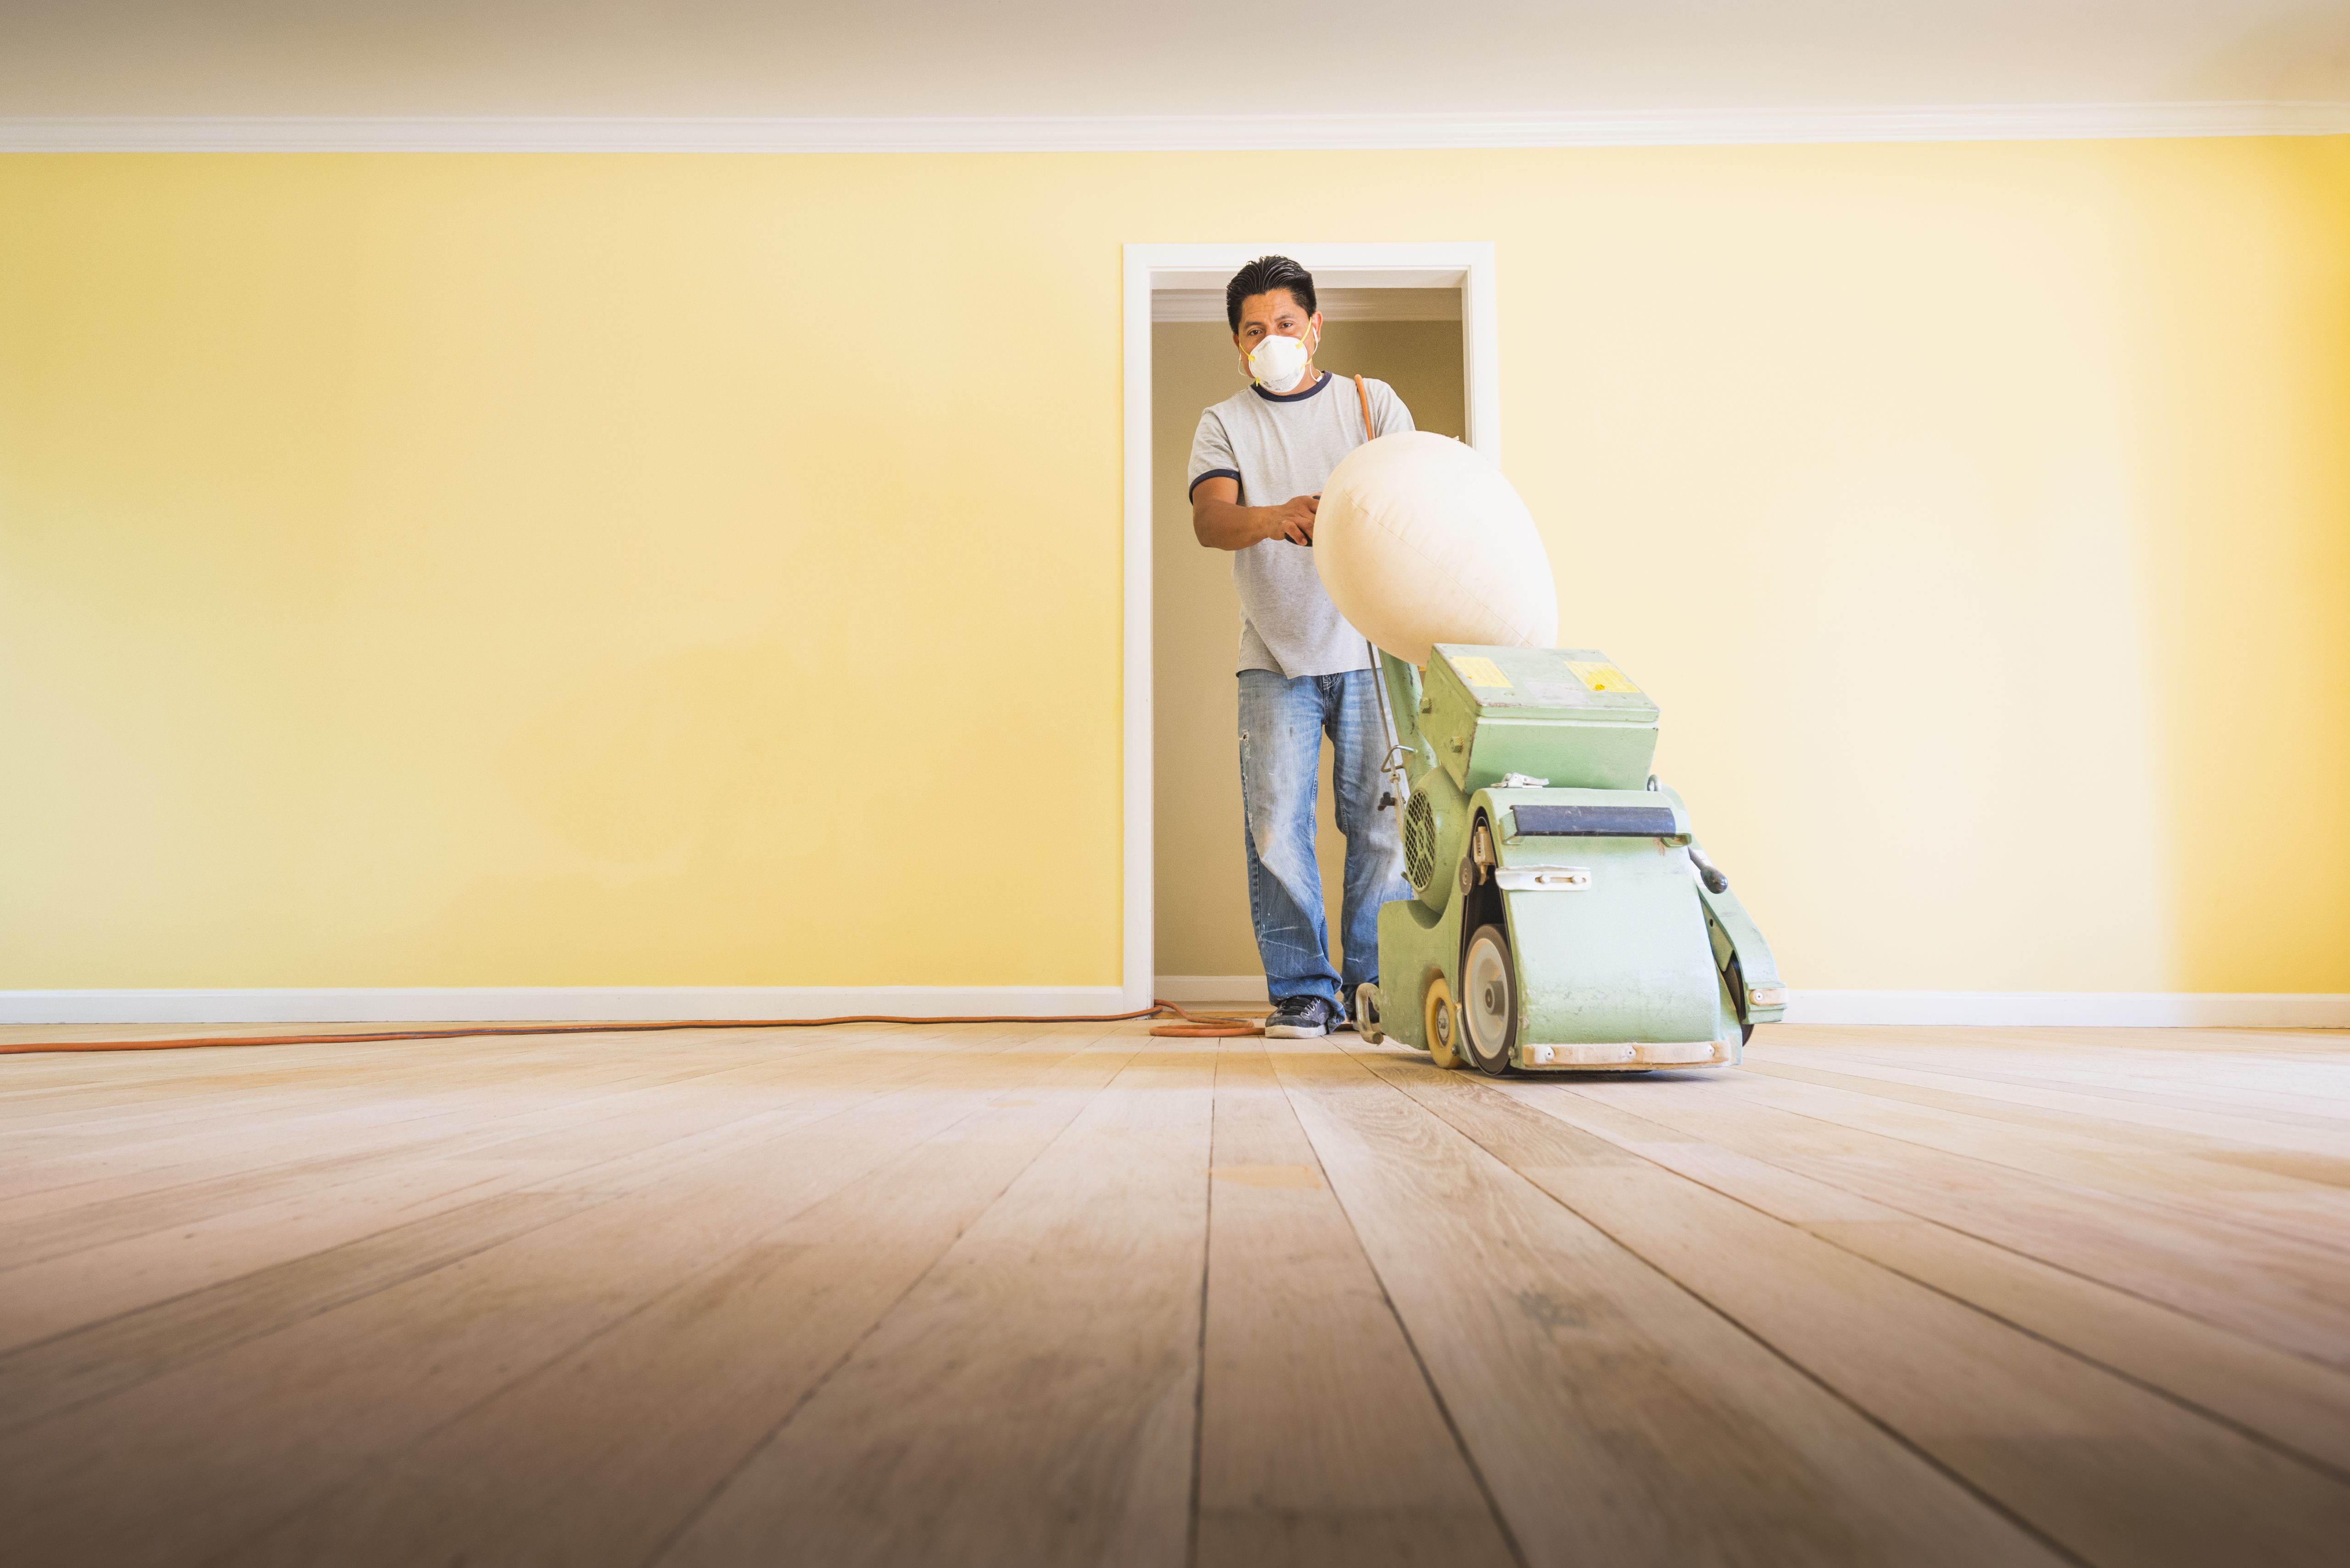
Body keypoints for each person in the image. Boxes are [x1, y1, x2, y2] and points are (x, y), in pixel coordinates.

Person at [1188, 256, 1413, 1039]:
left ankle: (1373, 986)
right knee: (1276, 827)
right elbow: (1211, 522)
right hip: (1273, 655)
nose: (1272, 340)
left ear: (1314, 327)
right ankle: (1303, 993)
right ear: (1238, 345)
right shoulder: (1225, 423)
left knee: (1384, 825)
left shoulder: (1370, 403)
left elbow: (1411, 498)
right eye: (1255, 331)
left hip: (1370, 648)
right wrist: (1275, 515)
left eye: (1286, 325)